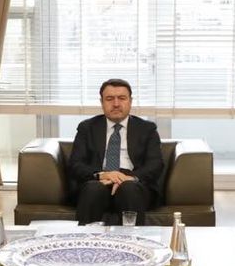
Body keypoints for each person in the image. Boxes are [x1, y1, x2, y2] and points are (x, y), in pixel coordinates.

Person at [66, 78, 164, 225]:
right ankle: (87, 238)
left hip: (133, 184)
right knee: (94, 189)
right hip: (99, 182)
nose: (116, 104)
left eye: (122, 98)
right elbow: (76, 164)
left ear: (130, 101)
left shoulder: (147, 129)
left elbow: (155, 164)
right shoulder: (87, 128)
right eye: (110, 99)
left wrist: (128, 178)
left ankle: (133, 239)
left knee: (129, 189)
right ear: (102, 102)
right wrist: (102, 175)